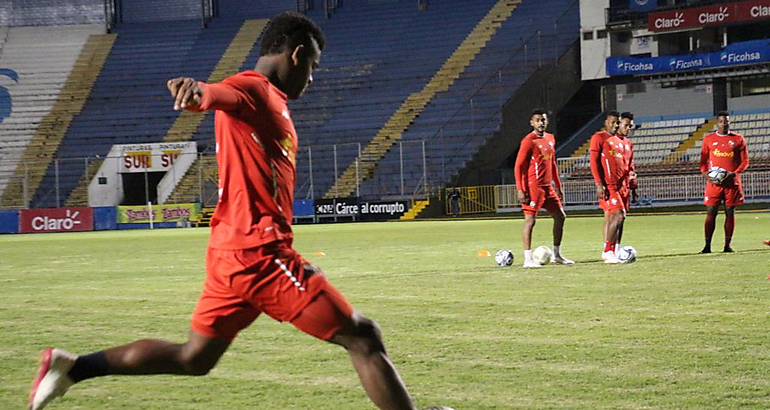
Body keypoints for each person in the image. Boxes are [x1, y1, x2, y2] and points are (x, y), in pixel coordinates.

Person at [28, 13, 451, 410]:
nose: (311, 77)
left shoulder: (269, 99)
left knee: (194, 358)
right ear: (297, 54)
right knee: (363, 336)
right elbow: (219, 94)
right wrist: (198, 93)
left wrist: (205, 95)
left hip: (231, 251)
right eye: (313, 66)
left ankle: (74, 367)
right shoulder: (252, 89)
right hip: (259, 254)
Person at [514, 109, 574, 268]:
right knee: (530, 221)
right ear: (531, 122)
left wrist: (558, 185)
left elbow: (552, 163)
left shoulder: (550, 138)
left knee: (560, 217)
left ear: (547, 122)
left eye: (543, 120)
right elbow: (518, 166)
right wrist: (520, 189)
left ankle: (557, 254)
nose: (541, 123)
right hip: (533, 187)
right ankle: (528, 259)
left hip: (548, 188)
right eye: (538, 120)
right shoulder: (529, 141)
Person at [699, 111, 749, 254]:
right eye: (721, 121)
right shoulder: (708, 139)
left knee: (729, 211)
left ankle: (727, 246)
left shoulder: (738, 139)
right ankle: (707, 246)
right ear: (717, 123)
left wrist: (734, 173)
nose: (724, 124)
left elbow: (745, 161)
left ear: (729, 123)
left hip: (731, 183)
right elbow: (703, 161)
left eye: (726, 121)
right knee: (711, 211)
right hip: (714, 183)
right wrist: (705, 175)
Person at [589, 111, 625, 264]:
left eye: (618, 123)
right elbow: (594, 162)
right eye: (612, 122)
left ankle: (612, 249)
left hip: (619, 186)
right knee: (619, 215)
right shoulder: (599, 137)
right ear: (605, 122)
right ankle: (607, 251)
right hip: (608, 186)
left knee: (614, 217)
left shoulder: (618, 141)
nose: (615, 125)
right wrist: (599, 183)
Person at [615, 111, 637, 254]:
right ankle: (608, 249)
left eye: (630, 126)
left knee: (622, 218)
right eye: (626, 125)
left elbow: (630, 166)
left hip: (625, 186)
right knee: (612, 217)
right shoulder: (611, 141)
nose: (629, 128)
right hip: (613, 185)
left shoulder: (628, 144)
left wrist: (633, 186)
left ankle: (616, 248)